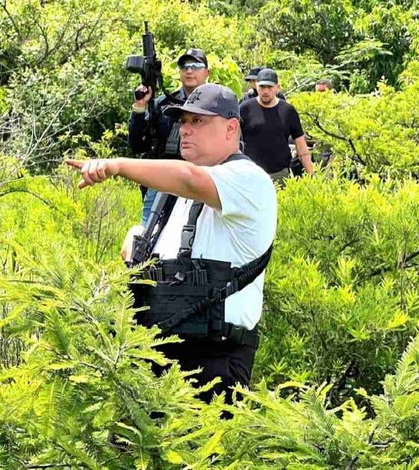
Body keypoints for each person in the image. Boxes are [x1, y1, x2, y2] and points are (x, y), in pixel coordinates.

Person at [67, 83, 277, 404]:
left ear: (230, 128)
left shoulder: (249, 179)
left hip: (214, 360)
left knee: (206, 452)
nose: (185, 130)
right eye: (183, 122)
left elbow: (190, 178)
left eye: (198, 121)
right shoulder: (172, 195)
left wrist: (117, 165)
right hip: (157, 352)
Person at [128, 48, 209, 225]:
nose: (189, 70)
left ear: (206, 72)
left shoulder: (216, 106)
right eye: (184, 66)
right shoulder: (162, 104)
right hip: (161, 183)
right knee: (148, 239)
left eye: (195, 66)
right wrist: (140, 106)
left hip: (199, 183)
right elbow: (136, 145)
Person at [240, 68, 314, 184]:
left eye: (269, 87)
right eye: (262, 87)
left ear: (277, 88)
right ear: (256, 86)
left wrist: (311, 176)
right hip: (249, 174)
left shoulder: (288, 110)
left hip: (279, 174)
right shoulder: (245, 109)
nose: (265, 91)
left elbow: (301, 146)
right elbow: (232, 140)